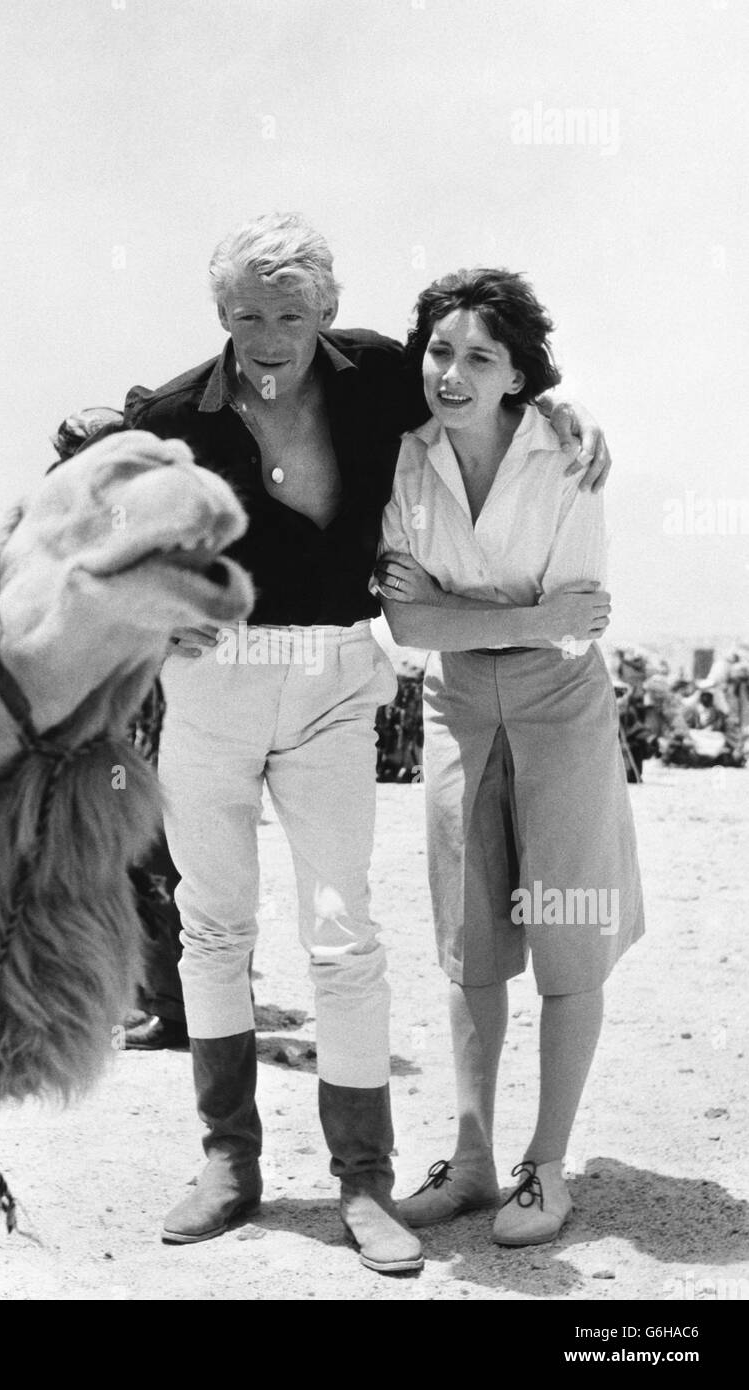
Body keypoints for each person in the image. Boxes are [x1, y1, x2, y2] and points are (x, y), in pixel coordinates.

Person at [84, 215, 612, 1274]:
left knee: (343, 930)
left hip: (333, 676)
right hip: (214, 682)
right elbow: (96, 520)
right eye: (244, 314)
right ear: (218, 315)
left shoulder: (379, 374)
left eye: (288, 313)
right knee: (211, 926)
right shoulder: (170, 412)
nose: (266, 336)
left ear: (325, 313)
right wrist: (149, 606)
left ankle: (363, 1181)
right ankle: (230, 1163)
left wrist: (560, 406)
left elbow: (491, 386)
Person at [373, 267, 644, 1247]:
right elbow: (406, 616)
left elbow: (580, 617)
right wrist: (516, 613)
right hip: (454, 704)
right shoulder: (403, 462)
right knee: (470, 943)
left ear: (518, 373)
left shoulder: (565, 457)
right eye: (440, 351)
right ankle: (474, 1160)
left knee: (568, 938)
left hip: (559, 701)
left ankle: (545, 1166)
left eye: (478, 356)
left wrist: (482, 615)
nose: (451, 371)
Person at [48, 407, 189, 1050]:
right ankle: (149, 994)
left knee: (152, 860)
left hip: (141, 713)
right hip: (108, 713)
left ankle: (177, 1004)